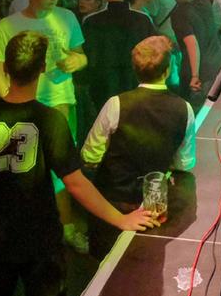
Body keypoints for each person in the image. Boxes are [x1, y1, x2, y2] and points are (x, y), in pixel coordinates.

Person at [0, 32, 157, 296]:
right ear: (41, 70)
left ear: (6, 68)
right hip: (38, 237)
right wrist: (120, 219)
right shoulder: (50, 120)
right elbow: (75, 183)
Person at [81, 35, 195, 255]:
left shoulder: (116, 104)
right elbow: (184, 163)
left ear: (135, 69)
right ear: (168, 69)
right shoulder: (185, 109)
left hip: (115, 201)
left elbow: (90, 156)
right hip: (153, 203)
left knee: (104, 261)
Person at [0, 0, 87, 137]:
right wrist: (9, 99)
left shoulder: (67, 17)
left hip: (60, 102)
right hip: (23, 105)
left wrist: (77, 61)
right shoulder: (8, 25)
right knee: (28, 159)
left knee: (61, 158)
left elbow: (81, 55)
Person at [80, 0, 157, 130]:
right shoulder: (143, 20)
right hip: (136, 87)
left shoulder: (91, 22)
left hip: (103, 89)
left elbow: (89, 59)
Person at [168, 0, 221, 107]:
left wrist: (194, 76)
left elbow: (192, 44)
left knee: (195, 114)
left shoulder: (179, 13)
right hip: (218, 64)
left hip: (201, 73)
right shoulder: (203, 1)